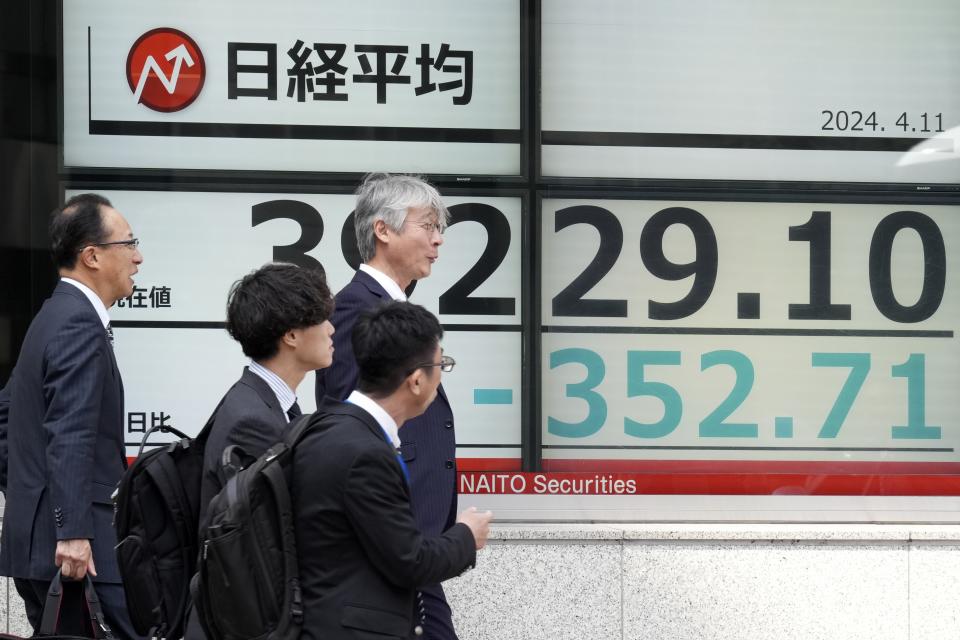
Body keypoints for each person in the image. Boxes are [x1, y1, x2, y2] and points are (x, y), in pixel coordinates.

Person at [315, 173, 460, 639]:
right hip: (390, 534)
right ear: (383, 230)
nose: (438, 240)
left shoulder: (392, 307)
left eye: (440, 229)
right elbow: (348, 429)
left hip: (408, 537)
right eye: (427, 226)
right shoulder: (355, 309)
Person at [297, 301, 492, 640]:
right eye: (441, 364)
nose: (440, 375)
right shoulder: (366, 454)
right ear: (416, 381)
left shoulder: (337, 427)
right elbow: (409, 560)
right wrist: (465, 535)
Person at [0, 193, 144, 638]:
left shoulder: (51, 316)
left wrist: (31, 496)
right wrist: (71, 532)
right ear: (93, 256)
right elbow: (72, 432)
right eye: (129, 243)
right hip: (78, 553)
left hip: (41, 547)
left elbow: (6, 417)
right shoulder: (78, 322)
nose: (139, 257)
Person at [184, 261, 335, 640]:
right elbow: (276, 540)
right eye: (321, 320)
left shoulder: (262, 402)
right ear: (291, 336)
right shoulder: (253, 420)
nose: (332, 329)